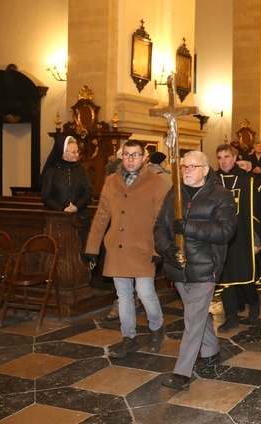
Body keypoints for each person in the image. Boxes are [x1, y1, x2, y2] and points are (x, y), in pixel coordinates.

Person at [154, 150, 236, 390]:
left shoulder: (221, 195)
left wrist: (189, 227)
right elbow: (160, 225)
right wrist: (167, 249)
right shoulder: (174, 194)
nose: (187, 171)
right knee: (196, 313)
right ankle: (210, 351)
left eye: (192, 166)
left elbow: (225, 231)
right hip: (177, 266)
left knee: (192, 318)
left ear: (205, 169)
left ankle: (182, 372)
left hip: (204, 267)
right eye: (184, 167)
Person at [84, 139, 168, 358]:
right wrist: (92, 247)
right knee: (123, 296)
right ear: (122, 157)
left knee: (146, 293)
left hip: (144, 247)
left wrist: (159, 249)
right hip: (117, 247)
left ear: (144, 158)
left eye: (136, 155)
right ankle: (128, 338)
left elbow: (162, 219)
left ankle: (157, 328)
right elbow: (102, 216)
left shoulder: (156, 182)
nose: (131, 160)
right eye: (127, 155)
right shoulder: (111, 181)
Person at [214, 143, 261, 332]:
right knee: (225, 279)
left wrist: (256, 241)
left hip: (243, 238)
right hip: (220, 239)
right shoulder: (213, 182)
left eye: (227, 157)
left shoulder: (249, 181)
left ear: (235, 158)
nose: (223, 161)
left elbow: (256, 214)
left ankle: (253, 302)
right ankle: (231, 317)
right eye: (220, 157)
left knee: (245, 276)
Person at [40, 135, 93, 250]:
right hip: (57, 219)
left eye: (77, 151)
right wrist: (61, 209)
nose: (77, 155)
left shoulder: (81, 170)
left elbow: (88, 192)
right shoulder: (52, 171)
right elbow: (46, 196)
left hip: (80, 217)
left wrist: (76, 207)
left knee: (81, 249)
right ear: (63, 153)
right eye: (73, 152)